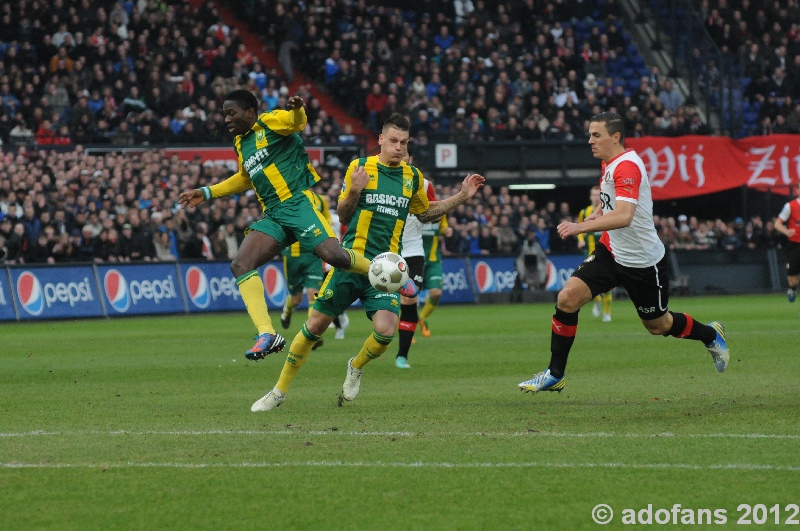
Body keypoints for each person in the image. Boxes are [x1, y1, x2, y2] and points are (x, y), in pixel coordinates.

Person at [251, 113, 485, 411]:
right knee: (315, 325)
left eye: (404, 143)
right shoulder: (360, 167)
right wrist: (354, 190)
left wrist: (462, 196)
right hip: (351, 263)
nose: (399, 147)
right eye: (394, 141)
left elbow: (425, 214)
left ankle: (356, 365)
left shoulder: (412, 177)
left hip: (386, 271)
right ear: (381, 140)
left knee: (386, 331)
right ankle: (278, 391)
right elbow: (345, 215)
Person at [518, 112, 730, 394]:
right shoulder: (609, 161)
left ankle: (710, 334)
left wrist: (580, 227)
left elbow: (625, 215)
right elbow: (610, 201)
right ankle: (554, 374)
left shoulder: (627, 166)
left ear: (615, 137)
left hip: (642, 261)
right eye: (590, 134)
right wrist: (595, 214)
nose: (590, 141)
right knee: (567, 298)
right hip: (611, 251)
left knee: (658, 325)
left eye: (596, 135)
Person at [179, 89, 377, 360]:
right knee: (240, 264)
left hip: (297, 203)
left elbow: (297, 123)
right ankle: (267, 334)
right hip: (274, 214)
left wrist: (297, 108)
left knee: (336, 256)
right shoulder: (241, 143)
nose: (226, 119)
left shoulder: (270, 121)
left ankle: (385, 271)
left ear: (250, 112)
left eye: (231, 113)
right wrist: (207, 192)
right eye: (224, 114)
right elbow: (245, 178)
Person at [278, 188, 341, 349]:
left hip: (313, 254)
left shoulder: (320, 200)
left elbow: (328, 219)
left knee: (313, 295)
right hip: (293, 256)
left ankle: (311, 334)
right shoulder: (287, 199)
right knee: (296, 298)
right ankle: (287, 310)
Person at [394, 142, 430, 369]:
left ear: (410, 158)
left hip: (414, 251)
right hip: (389, 251)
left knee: (410, 297)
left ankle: (402, 356)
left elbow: (432, 213)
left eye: (404, 153)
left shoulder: (424, 184)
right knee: (386, 308)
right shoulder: (381, 181)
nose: (400, 156)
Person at [417, 180, 450, 338]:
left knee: (436, 293)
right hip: (414, 258)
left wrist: (447, 231)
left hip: (433, 259)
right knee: (409, 297)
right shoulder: (414, 211)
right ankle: (408, 331)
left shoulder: (439, 212)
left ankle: (421, 319)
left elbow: (443, 228)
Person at [577, 185, 613, 322]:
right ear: (590, 197)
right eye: (594, 195)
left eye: (599, 195)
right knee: (589, 283)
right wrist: (580, 240)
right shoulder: (585, 212)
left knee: (608, 284)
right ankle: (597, 301)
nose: (596, 197)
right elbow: (579, 228)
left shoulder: (608, 211)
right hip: (590, 253)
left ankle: (607, 313)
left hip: (607, 253)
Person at [775, 181, 800, 303]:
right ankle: (793, 289)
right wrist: (786, 231)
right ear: (797, 190)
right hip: (794, 244)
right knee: (793, 280)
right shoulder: (790, 206)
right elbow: (777, 224)